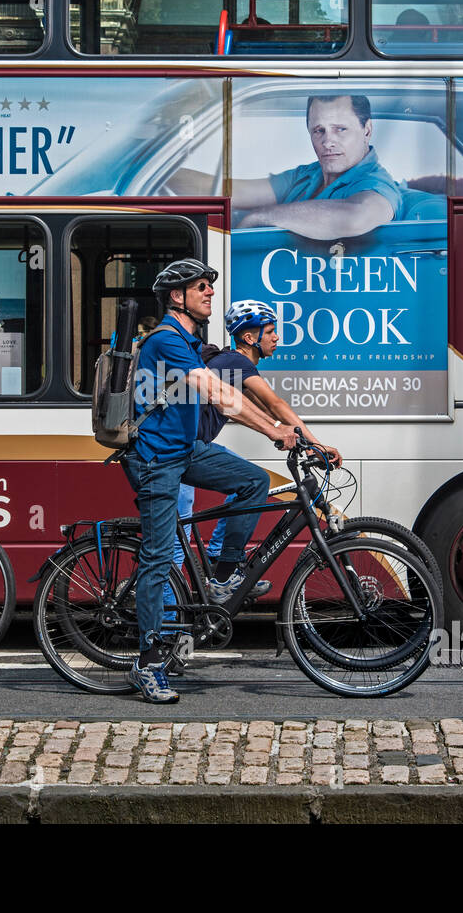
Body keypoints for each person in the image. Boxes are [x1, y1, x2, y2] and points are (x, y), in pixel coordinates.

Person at [120, 258, 298, 703]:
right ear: (177, 296)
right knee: (159, 557)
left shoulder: (188, 340)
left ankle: (222, 572)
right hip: (157, 460)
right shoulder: (165, 340)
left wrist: (280, 429)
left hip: (185, 452)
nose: (210, 294)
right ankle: (147, 662)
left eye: (209, 288)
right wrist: (273, 430)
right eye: (202, 287)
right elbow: (218, 393)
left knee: (253, 481)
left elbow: (234, 394)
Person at [176, 299, 344, 587]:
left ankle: (219, 556)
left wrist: (295, 438)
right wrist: (318, 444)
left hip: (193, 445)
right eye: (270, 332)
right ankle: (211, 587)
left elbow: (263, 416)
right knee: (175, 547)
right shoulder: (235, 362)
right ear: (249, 338)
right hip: (180, 450)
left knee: (248, 479)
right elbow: (276, 405)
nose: (277, 337)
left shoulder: (229, 365)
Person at [168, 94, 402, 240]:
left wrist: (261, 216)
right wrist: (166, 175)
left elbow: (357, 217)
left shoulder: (375, 182)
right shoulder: (307, 175)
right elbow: (229, 190)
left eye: (340, 129)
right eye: (318, 130)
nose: (327, 141)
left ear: (367, 130)